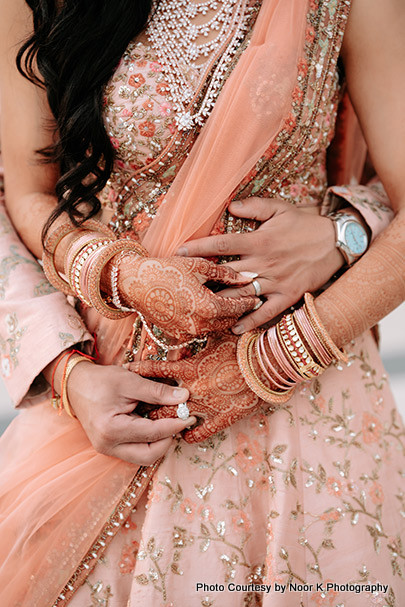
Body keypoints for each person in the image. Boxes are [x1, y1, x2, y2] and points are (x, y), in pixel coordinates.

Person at [0, 0, 404, 606]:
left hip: (306, 408)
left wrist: (278, 355)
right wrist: (92, 325)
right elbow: (23, 193)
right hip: (110, 394)